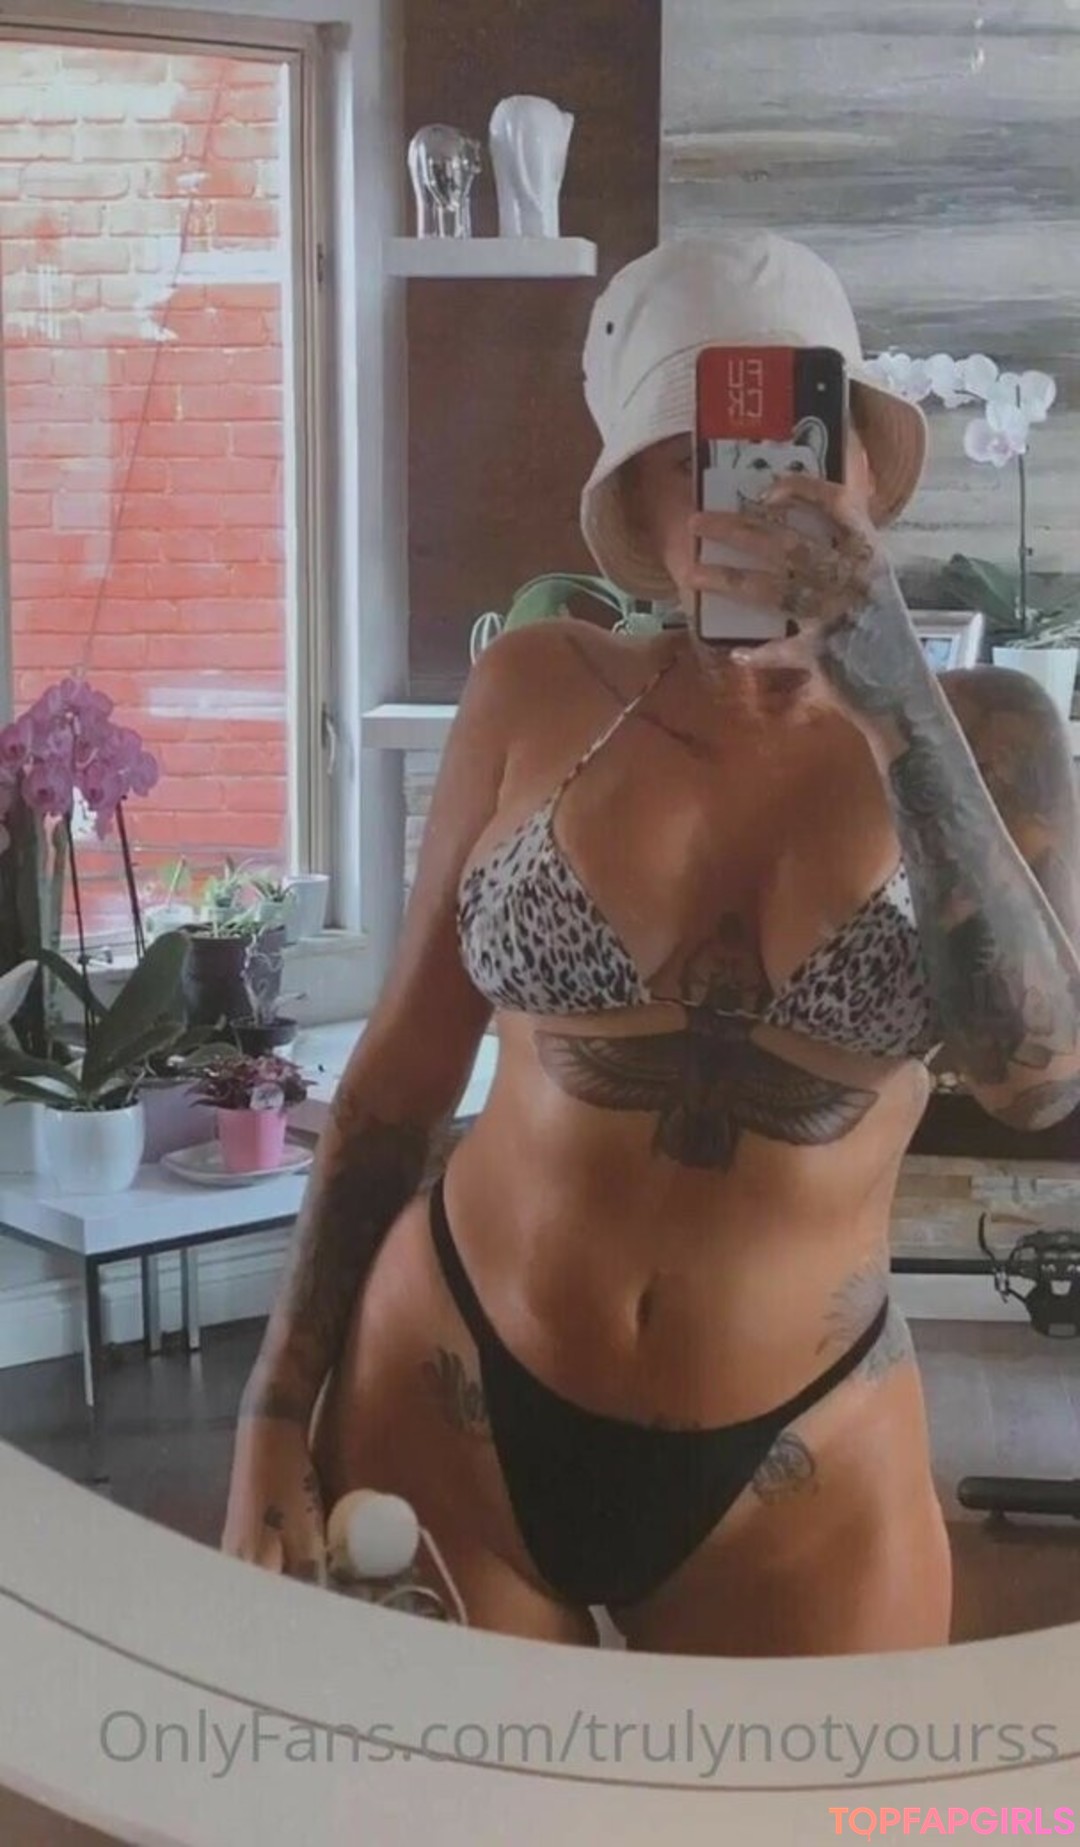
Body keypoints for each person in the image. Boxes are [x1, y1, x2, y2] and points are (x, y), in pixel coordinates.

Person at [222, 231, 1080, 1655]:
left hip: (803, 1463)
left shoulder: (993, 732)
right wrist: (270, 1408)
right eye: (693, 459)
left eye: (789, 449)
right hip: (449, 1397)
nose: (745, 498)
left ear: (860, 470)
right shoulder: (537, 687)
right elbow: (400, 1077)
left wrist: (890, 686)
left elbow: (1037, 1079)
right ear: (633, 497)